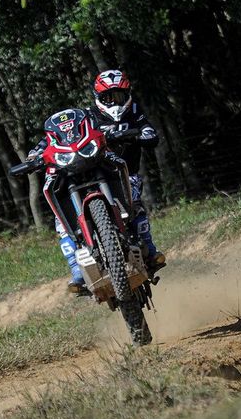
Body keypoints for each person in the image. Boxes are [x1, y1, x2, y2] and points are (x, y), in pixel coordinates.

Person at [27, 69, 165, 293]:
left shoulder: (135, 111)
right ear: (98, 97)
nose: (114, 101)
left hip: (123, 171)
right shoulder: (87, 116)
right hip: (91, 168)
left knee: (136, 204)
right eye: (108, 97)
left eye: (119, 96)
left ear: (128, 94)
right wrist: (36, 153)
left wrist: (142, 134)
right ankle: (76, 269)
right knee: (60, 222)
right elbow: (56, 137)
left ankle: (149, 248)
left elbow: (148, 130)